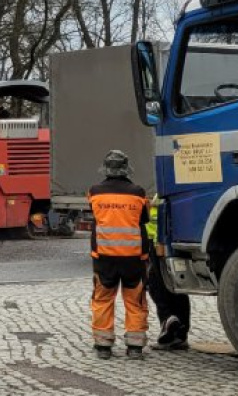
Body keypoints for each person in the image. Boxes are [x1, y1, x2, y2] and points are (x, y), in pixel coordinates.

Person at [88, 150, 150, 360]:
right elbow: (144, 221)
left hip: (104, 257)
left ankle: (103, 345)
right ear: (126, 168)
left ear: (106, 168)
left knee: (103, 299)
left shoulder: (94, 192)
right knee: (135, 301)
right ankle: (134, 346)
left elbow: (95, 217)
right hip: (133, 257)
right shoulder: (138, 193)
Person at [146, 193, 191, 350]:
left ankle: (169, 322)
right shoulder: (170, 190)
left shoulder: (165, 190)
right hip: (169, 240)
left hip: (161, 243)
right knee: (177, 287)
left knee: (157, 284)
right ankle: (179, 333)